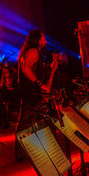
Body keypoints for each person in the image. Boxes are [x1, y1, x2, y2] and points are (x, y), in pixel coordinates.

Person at [15, 30, 57, 159]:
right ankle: (27, 152)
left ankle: (25, 152)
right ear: (37, 39)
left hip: (28, 91)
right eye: (43, 38)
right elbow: (26, 69)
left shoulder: (28, 50)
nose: (45, 41)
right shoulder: (33, 51)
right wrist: (39, 84)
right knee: (32, 120)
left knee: (27, 120)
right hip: (31, 92)